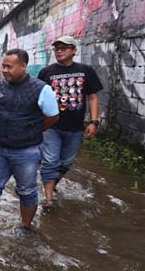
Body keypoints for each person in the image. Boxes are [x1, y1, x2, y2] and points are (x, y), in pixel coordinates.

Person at [0, 49, 59, 231]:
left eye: (9, 67)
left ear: (23, 66)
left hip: (26, 151)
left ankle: (25, 227)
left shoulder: (41, 89)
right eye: (3, 66)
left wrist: (33, 130)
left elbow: (53, 116)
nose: (5, 70)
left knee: (27, 190)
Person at [38, 36, 103, 209]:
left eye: (64, 48)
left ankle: (51, 183)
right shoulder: (46, 72)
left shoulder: (86, 71)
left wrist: (94, 121)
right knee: (51, 161)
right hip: (51, 126)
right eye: (57, 48)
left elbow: (93, 96)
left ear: (74, 50)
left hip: (75, 127)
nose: (59, 51)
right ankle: (49, 198)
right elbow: (38, 98)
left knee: (66, 163)